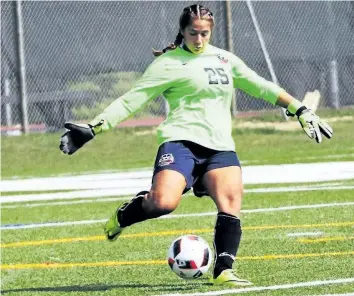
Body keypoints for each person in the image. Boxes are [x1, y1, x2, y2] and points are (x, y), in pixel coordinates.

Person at [59, 4, 333, 286]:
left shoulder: (225, 60)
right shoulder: (167, 64)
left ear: (211, 31)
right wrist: (94, 128)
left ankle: (224, 269)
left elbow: (261, 86)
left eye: (204, 33)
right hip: (180, 143)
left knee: (230, 203)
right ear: (182, 31)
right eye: (193, 33)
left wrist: (299, 109)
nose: (199, 39)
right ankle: (122, 216)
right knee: (163, 202)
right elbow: (132, 100)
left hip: (220, 147)